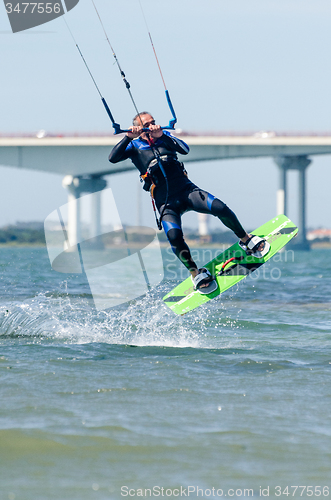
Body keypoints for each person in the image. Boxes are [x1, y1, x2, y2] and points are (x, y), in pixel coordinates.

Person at [108, 112, 269, 293]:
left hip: (187, 191)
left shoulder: (165, 137)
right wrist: (128, 136)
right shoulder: (133, 147)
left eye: (153, 122)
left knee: (220, 208)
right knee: (174, 237)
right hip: (166, 203)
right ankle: (195, 273)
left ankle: (245, 240)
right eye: (147, 124)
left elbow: (184, 149)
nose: (152, 125)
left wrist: (160, 135)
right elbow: (112, 158)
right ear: (138, 127)